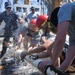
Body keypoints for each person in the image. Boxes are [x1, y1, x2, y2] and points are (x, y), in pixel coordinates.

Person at [50, 2, 75, 72]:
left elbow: (60, 39)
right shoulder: (73, 33)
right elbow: (68, 59)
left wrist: (52, 63)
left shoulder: (64, 9)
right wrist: (58, 70)